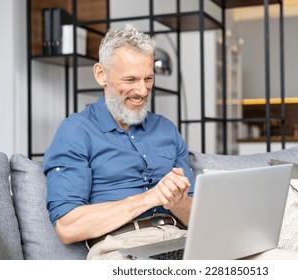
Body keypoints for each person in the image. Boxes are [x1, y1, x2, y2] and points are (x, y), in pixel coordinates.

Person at [43, 24, 194, 260]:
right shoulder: (76, 131)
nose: (142, 90)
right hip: (122, 249)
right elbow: (68, 227)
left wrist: (176, 202)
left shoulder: (166, 129)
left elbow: (198, 216)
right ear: (100, 74)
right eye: (131, 79)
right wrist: (149, 198)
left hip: (183, 241)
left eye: (148, 78)